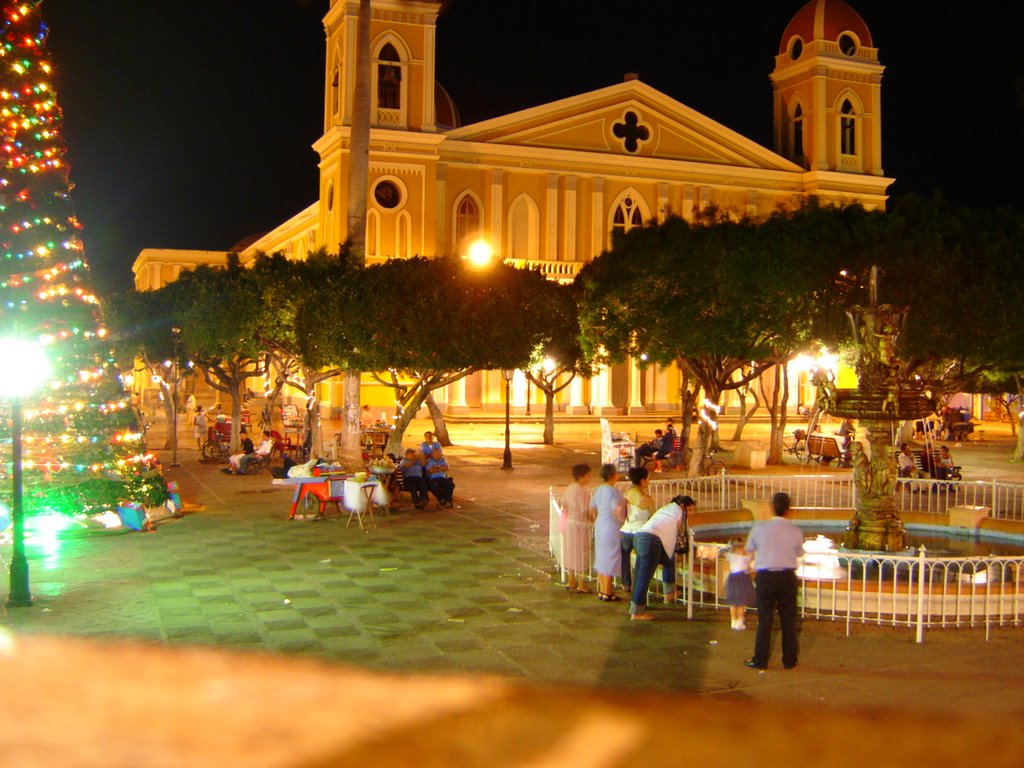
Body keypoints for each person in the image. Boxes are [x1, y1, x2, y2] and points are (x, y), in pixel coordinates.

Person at [744, 491, 804, 670]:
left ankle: (760, 659)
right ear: (788, 510)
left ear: (772, 507)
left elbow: (749, 548)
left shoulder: (759, 528)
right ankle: (789, 659)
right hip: (787, 577)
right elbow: (799, 553)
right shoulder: (795, 530)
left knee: (765, 619)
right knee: (788, 620)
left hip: (766, 577)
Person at [628, 495, 694, 621]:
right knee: (643, 576)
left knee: (667, 561)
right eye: (690, 510)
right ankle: (636, 612)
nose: (691, 513)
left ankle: (668, 594)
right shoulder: (680, 511)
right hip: (651, 541)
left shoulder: (667, 509)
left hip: (641, 537)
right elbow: (682, 532)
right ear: (683, 506)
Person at [590, 463, 625, 602]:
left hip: (600, 525)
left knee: (601, 558)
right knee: (610, 558)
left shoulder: (598, 490)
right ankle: (608, 592)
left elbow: (593, 508)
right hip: (610, 527)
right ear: (612, 476)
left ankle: (602, 589)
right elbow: (617, 510)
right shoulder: (614, 492)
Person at [619, 466, 655, 591]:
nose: (649, 481)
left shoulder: (627, 493)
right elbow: (653, 516)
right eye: (647, 479)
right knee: (641, 561)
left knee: (625, 559)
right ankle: (639, 586)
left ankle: (626, 584)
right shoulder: (646, 499)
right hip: (640, 532)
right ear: (642, 480)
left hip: (625, 530)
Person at [559, 463, 593, 594]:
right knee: (580, 552)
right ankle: (581, 583)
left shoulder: (570, 488)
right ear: (581, 477)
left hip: (569, 523)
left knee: (570, 551)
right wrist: (592, 519)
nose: (589, 478)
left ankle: (571, 579)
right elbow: (585, 510)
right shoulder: (582, 491)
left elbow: (564, 503)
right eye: (588, 476)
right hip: (579, 524)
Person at [726, 537, 756, 630]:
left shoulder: (730, 555)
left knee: (733, 602)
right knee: (741, 602)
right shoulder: (745, 557)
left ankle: (733, 621)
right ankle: (739, 621)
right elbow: (751, 559)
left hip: (732, 578)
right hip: (742, 578)